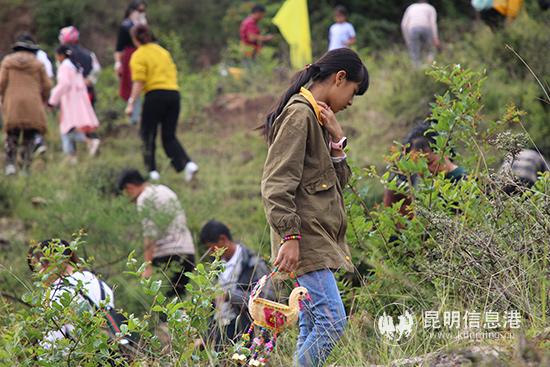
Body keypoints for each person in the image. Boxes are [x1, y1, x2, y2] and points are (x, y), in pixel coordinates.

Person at [261, 48, 369, 367]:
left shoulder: (317, 117)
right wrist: (290, 237)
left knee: (311, 323)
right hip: (304, 240)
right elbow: (276, 184)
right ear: (339, 79)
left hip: (316, 238)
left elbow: (337, 184)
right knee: (332, 322)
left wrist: (337, 139)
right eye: (353, 91)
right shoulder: (299, 115)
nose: (351, 101)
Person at [126, 24, 198, 182]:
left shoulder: (139, 55)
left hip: (155, 95)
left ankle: (152, 171)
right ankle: (188, 165)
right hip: (174, 94)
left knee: (148, 135)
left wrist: (131, 102)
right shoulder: (163, 52)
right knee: (169, 136)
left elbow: (139, 81)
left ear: (134, 39)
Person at [118, 169, 196, 298]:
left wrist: (147, 266)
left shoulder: (144, 198)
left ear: (129, 187)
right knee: (179, 302)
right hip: (187, 253)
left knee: (165, 306)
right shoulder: (164, 190)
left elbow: (150, 234)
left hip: (167, 256)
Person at [27, 239, 117, 349]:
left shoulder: (54, 294)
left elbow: (52, 348)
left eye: (41, 265)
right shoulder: (98, 283)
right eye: (34, 269)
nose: (39, 273)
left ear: (58, 260)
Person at [199, 220, 274, 344]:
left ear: (223, 239)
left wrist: (229, 295)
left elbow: (267, 298)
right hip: (221, 329)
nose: (211, 253)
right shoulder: (217, 266)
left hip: (245, 330)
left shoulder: (253, 263)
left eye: (212, 248)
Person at [383, 121, 467, 217]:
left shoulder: (464, 182)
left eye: (429, 162)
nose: (424, 171)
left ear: (444, 150)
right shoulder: (418, 186)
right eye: (416, 166)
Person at [0, 36, 51, 176]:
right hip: (32, 105)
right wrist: (43, 99)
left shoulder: (7, 62)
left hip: (12, 105)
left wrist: (4, 98)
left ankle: (10, 165)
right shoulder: (38, 64)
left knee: (12, 135)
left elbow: (1, 83)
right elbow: (47, 86)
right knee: (29, 137)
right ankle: (25, 168)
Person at [49, 45, 101, 163]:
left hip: (70, 102)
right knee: (70, 129)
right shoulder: (74, 66)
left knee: (68, 129)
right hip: (79, 100)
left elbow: (64, 84)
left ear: (61, 55)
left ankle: (87, 144)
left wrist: (52, 100)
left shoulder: (64, 67)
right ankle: (71, 156)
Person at [115, 0, 148, 125]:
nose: (141, 13)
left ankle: (142, 115)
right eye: (139, 11)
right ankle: (135, 116)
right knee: (135, 84)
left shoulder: (143, 25)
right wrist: (118, 63)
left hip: (144, 56)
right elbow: (119, 48)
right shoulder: (126, 26)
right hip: (130, 58)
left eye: (143, 11)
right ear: (131, 11)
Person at [58, 26, 101, 107]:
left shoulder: (63, 57)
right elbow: (97, 70)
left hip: (70, 95)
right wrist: (88, 81)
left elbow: (62, 78)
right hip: (88, 92)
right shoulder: (89, 54)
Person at [401, 0, 441, 68]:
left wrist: (407, 40)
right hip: (426, 28)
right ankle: (430, 68)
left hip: (412, 29)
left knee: (415, 53)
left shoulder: (411, 7)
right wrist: (435, 38)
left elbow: (404, 25)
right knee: (430, 50)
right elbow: (433, 24)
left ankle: (417, 70)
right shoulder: (430, 8)